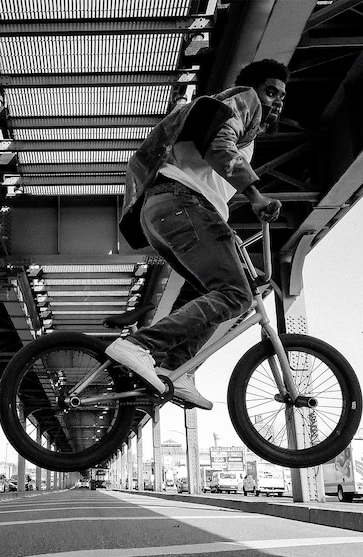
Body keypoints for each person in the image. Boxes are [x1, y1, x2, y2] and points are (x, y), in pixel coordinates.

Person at [107, 59, 289, 409]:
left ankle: (175, 370)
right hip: (180, 204)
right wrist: (256, 195)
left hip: (167, 210)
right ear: (254, 89)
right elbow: (219, 147)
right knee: (236, 295)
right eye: (271, 91)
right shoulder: (240, 100)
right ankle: (142, 345)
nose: (276, 101)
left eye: (282, 96)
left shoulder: (243, 127)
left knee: (221, 294)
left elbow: (211, 184)